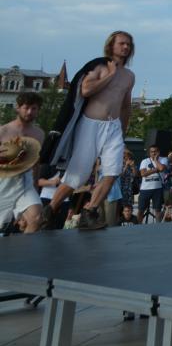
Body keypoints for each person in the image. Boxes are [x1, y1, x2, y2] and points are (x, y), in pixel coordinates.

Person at [45, 32, 135, 231]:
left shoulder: (129, 76)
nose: (126, 47)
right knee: (78, 175)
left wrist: (123, 129)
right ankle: (50, 210)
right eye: (122, 43)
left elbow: (125, 106)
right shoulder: (99, 67)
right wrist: (110, 75)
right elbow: (85, 90)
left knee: (113, 172)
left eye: (128, 44)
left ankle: (90, 211)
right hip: (91, 124)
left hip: (113, 127)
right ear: (111, 46)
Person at [0, 92, 45, 234]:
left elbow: (36, 163)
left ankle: (23, 254)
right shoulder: (3, 131)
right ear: (18, 108)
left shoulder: (39, 134)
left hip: (25, 182)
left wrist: (35, 186)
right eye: (26, 108)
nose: (30, 112)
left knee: (36, 218)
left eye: (34, 108)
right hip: (3, 180)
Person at [137, 145, 166, 222]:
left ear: (158, 152)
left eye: (155, 151)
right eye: (151, 152)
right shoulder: (144, 161)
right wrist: (156, 170)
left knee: (158, 210)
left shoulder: (163, 159)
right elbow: (143, 174)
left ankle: (158, 228)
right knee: (141, 210)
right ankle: (137, 227)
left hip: (158, 188)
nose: (153, 153)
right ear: (149, 153)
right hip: (145, 189)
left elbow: (162, 168)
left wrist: (156, 160)